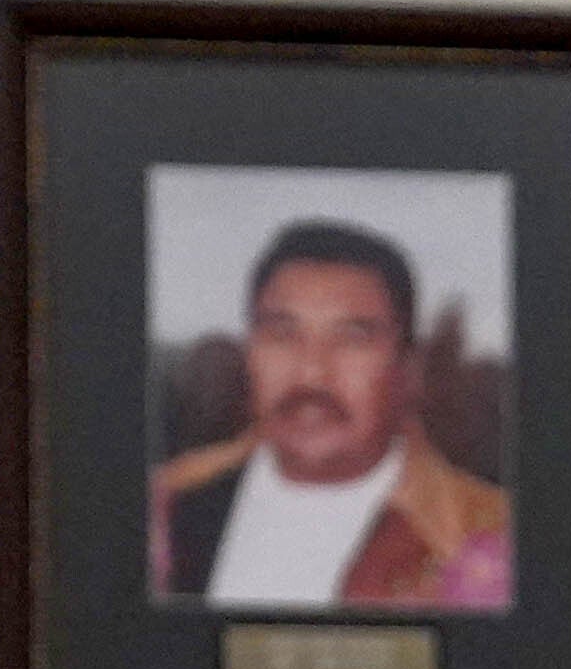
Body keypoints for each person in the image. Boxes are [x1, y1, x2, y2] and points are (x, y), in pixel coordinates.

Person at [150, 220, 511, 611]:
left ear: (408, 368)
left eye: (352, 339)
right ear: (250, 353)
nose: (311, 373)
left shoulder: (489, 535)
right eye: (282, 334)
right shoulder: (165, 505)